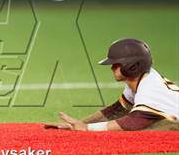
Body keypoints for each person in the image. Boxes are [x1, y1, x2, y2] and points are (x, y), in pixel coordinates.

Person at [45, 38, 179, 131]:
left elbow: (133, 123)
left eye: (116, 64)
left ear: (132, 66)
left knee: (146, 130)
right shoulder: (140, 79)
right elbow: (117, 110)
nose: (111, 68)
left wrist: (87, 128)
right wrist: (79, 123)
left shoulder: (149, 89)